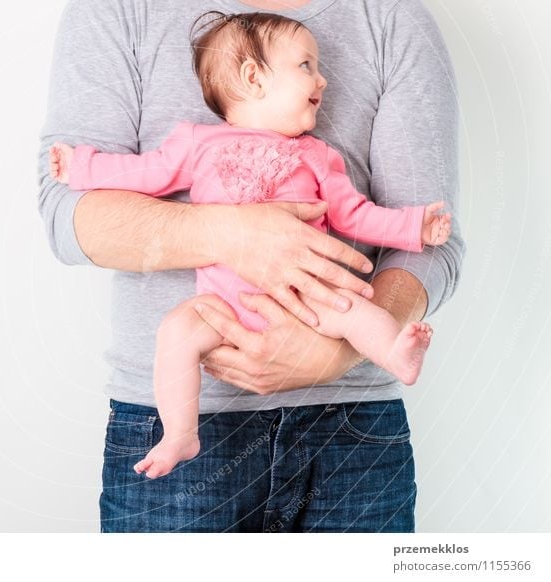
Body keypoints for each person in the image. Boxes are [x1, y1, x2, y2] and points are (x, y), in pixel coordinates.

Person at [38, 0, 464, 532]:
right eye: (307, 66)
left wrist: (415, 229)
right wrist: (82, 165)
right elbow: (128, 181)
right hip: (211, 334)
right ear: (252, 76)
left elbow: (364, 216)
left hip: (340, 396)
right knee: (177, 333)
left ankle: (395, 353)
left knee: (351, 311)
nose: (324, 80)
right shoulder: (190, 135)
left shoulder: (321, 148)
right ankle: (179, 430)